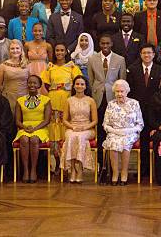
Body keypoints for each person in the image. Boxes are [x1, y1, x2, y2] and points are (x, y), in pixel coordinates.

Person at [41, 42, 83, 173]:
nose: (59, 53)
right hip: (53, 100)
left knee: (66, 128)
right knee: (54, 129)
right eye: (57, 50)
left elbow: (79, 82)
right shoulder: (50, 67)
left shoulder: (72, 67)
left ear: (66, 52)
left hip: (67, 100)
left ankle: (68, 163)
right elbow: (46, 84)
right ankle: (58, 161)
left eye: (62, 50)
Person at [126, 43, 161, 177]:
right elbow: (130, 92)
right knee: (142, 140)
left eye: (149, 53)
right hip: (138, 112)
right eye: (144, 53)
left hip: (157, 111)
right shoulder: (133, 69)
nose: (147, 55)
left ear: (154, 55)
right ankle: (143, 170)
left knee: (157, 138)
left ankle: (158, 169)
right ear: (140, 54)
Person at [88, 35, 127, 164]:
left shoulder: (120, 59)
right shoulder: (92, 59)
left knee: (112, 130)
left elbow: (122, 80)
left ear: (111, 44)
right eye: (102, 43)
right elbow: (91, 79)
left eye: (107, 43)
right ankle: (100, 163)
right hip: (98, 98)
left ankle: (112, 163)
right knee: (100, 131)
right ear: (99, 44)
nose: (105, 46)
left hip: (113, 99)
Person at [103, 79, 144, 185]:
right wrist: (115, 131)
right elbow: (105, 124)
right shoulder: (111, 104)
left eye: (122, 91)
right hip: (114, 132)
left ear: (127, 91)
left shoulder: (134, 103)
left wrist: (127, 131)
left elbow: (140, 124)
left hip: (130, 132)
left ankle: (124, 172)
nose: (119, 94)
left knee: (125, 142)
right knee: (113, 143)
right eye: (117, 91)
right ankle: (115, 173)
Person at [14, 75, 52, 183]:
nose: (32, 85)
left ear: (39, 85)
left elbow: (47, 120)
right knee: (24, 140)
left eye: (35, 83)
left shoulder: (46, 100)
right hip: (24, 127)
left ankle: (34, 170)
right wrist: (25, 127)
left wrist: (35, 128)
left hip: (41, 128)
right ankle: (26, 170)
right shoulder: (20, 100)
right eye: (30, 83)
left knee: (34, 139)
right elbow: (17, 121)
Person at [61, 75, 98, 183]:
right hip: (72, 127)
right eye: (77, 84)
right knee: (72, 137)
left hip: (87, 129)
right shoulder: (69, 100)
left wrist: (84, 127)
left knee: (80, 137)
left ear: (86, 86)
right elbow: (64, 120)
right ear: (74, 86)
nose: (79, 86)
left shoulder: (91, 101)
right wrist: (73, 127)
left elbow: (95, 120)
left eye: (82, 84)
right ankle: (72, 170)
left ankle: (80, 170)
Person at [0, 39, 30, 113]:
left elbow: (31, 82)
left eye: (17, 48)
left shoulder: (27, 64)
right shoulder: (3, 66)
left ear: (21, 50)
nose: (15, 51)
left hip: (24, 97)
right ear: (9, 50)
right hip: (8, 98)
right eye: (12, 48)